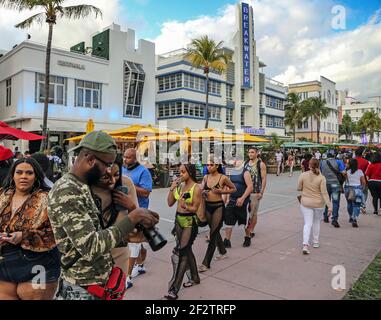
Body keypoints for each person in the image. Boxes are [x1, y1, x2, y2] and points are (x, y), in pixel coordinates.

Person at [48, 131, 159, 300]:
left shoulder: (82, 186)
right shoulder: (68, 190)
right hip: (82, 287)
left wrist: (130, 235)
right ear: (91, 159)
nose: (109, 171)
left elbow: (96, 234)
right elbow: (90, 246)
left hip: (97, 282)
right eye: (107, 164)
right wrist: (133, 218)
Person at [0, 158, 60, 300]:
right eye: (19, 172)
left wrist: (24, 236)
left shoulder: (48, 198)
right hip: (5, 263)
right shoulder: (2, 195)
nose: (24, 176)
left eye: (29, 173)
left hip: (39, 263)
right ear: (13, 175)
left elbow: (58, 233)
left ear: (36, 176)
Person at [91, 154, 139, 277]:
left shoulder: (126, 184)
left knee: (116, 291)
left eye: (116, 175)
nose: (112, 181)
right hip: (93, 259)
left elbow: (137, 221)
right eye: (106, 176)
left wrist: (131, 206)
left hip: (119, 255)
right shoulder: (86, 187)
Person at [165, 164, 202, 300]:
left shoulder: (196, 188)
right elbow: (169, 203)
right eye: (179, 172)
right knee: (187, 250)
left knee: (182, 253)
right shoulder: (180, 186)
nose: (180, 174)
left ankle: (174, 289)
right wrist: (171, 188)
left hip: (189, 223)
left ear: (190, 172)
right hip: (178, 221)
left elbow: (195, 208)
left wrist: (186, 205)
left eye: (183, 172)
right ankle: (195, 277)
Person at [198, 157, 236, 272]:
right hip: (207, 207)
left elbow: (233, 189)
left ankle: (206, 263)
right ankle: (223, 252)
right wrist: (203, 192)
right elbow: (200, 190)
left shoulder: (223, 177)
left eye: (212, 165)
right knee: (214, 230)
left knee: (213, 233)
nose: (209, 167)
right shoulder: (206, 177)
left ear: (217, 166)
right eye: (208, 165)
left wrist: (222, 191)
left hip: (218, 207)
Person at [122, 148, 153, 288]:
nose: (125, 160)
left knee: (133, 244)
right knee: (139, 242)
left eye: (128, 158)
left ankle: (127, 278)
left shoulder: (143, 172)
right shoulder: (122, 169)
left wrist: (130, 186)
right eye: (124, 157)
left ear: (135, 159)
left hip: (139, 211)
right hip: (125, 211)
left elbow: (146, 193)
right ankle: (140, 265)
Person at [297, 158, 332, 254]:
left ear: (309, 165)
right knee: (316, 222)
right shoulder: (322, 178)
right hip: (318, 204)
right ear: (318, 165)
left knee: (307, 223)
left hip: (306, 202)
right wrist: (329, 206)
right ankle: (316, 242)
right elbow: (324, 193)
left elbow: (298, 188)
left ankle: (305, 244)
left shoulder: (303, 175)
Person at [223, 158, 253, 248]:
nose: (235, 161)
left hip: (243, 201)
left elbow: (250, 187)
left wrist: (242, 198)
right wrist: (227, 198)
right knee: (229, 220)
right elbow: (229, 187)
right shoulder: (231, 172)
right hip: (232, 200)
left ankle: (247, 237)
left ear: (242, 162)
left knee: (244, 221)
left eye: (237, 160)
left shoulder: (245, 172)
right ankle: (227, 240)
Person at [244, 147, 267, 246]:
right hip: (245, 192)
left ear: (257, 153)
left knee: (252, 214)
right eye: (249, 152)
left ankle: (251, 230)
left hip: (255, 192)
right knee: (248, 213)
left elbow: (264, 178)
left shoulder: (260, 164)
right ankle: (249, 229)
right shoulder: (245, 163)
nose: (250, 154)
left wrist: (261, 192)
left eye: (252, 152)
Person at [320, 152, 346, 228]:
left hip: (325, 184)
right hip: (335, 184)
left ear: (327, 156)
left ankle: (325, 216)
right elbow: (343, 172)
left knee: (327, 200)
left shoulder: (322, 162)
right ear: (334, 156)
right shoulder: (338, 162)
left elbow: (321, 172)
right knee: (335, 202)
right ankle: (334, 219)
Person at [344, 159, 366, 228]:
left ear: (349, 164)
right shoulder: (360, 171)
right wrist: (362, 188)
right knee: (356, 205)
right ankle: (354, 218)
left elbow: (345, 180)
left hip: (348, 188)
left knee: (349, 203)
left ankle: (350, 216)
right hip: (357, 189)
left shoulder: (346, 171)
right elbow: (363, 181)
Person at [354, 148, 369, 214]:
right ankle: (362, 205)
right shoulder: (366, 161)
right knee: (364, 193)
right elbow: (367, 172)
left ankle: (357, 205)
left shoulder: (352, 161)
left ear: (355, 153)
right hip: (363, 180)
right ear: (362, 154)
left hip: (354, 180)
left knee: (355, 193)